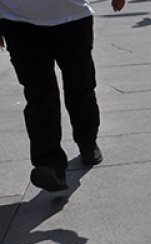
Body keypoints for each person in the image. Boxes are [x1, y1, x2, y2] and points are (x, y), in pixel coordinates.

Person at [0, 0, 126, 192]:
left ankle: (87, 141)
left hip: (73, 18)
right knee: (39, 96)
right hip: (18, 22)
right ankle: (49, 164)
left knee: (81, 87)